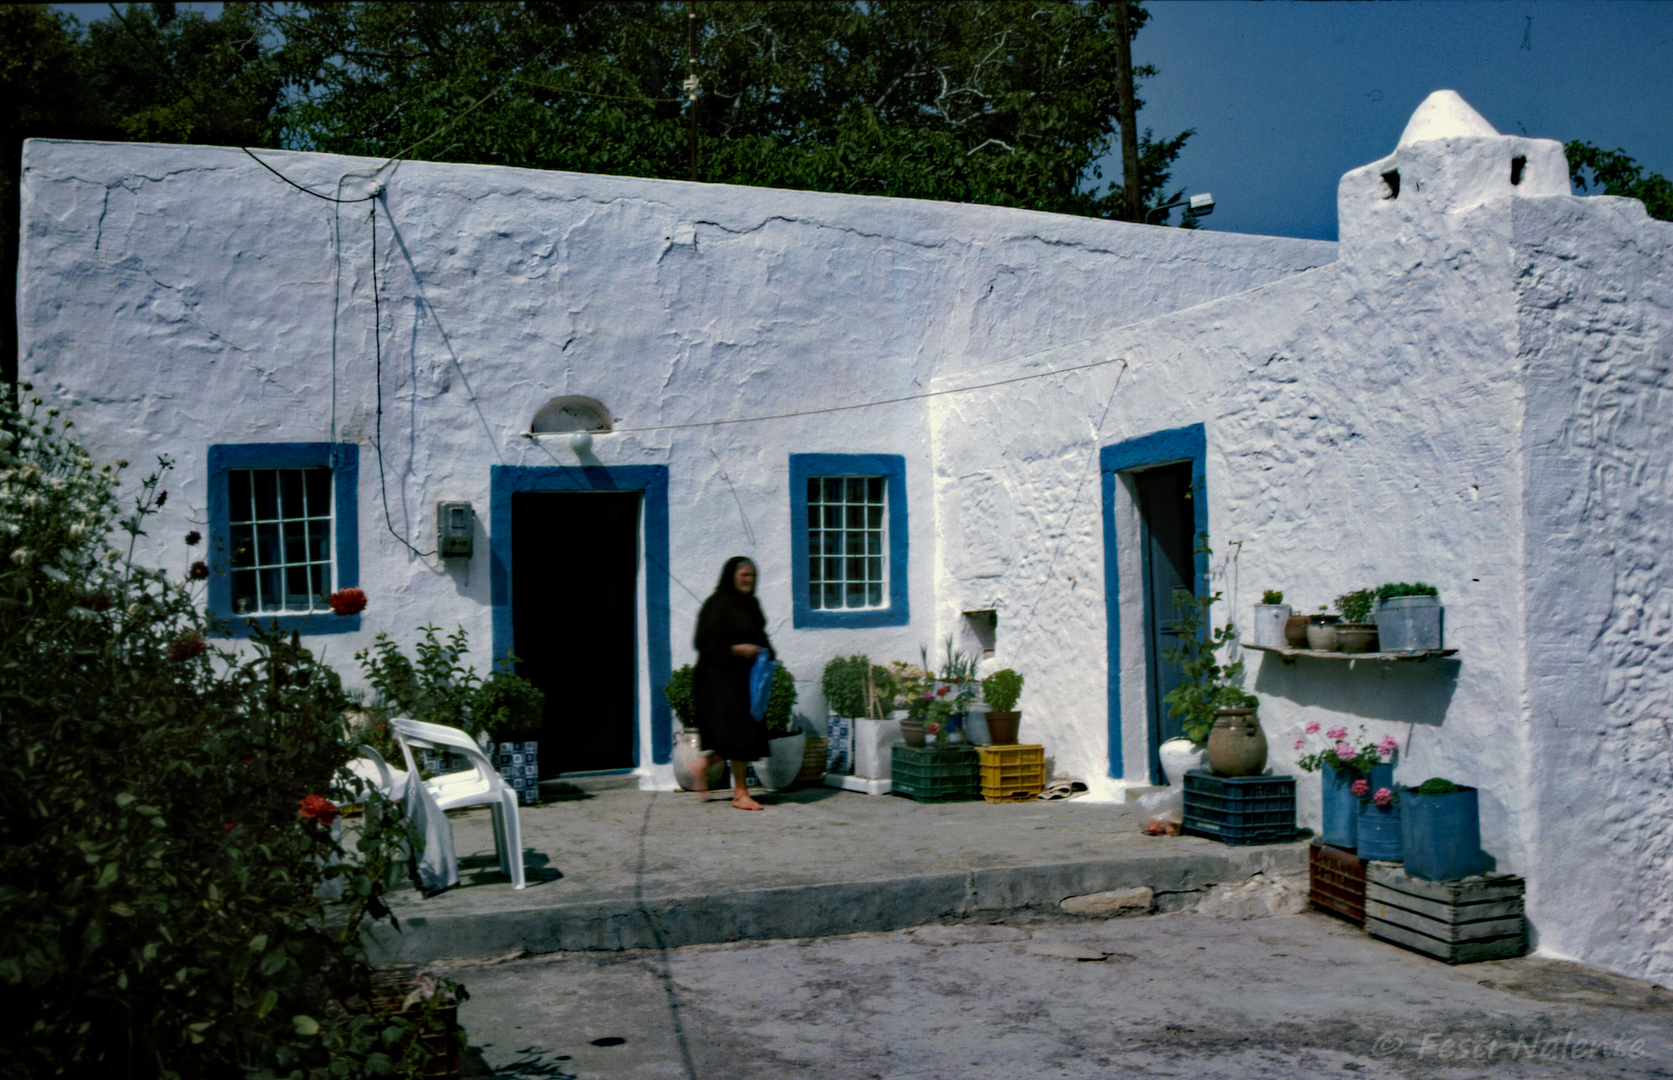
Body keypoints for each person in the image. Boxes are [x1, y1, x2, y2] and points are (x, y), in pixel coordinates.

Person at [690, 556, 772, 810]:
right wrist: (736, 650)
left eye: (753, 576)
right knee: (741, 733)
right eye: (744, 575)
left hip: (743, 680)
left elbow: (759, 636)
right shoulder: (717, 604)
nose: (750, 581)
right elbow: (703, 642)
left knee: (744, 734)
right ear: (732, 576)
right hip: (717, 680)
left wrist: (767, 657)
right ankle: (740, 794)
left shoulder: (751, 604)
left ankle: (702, 765)